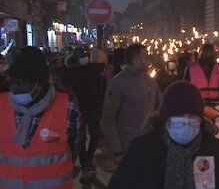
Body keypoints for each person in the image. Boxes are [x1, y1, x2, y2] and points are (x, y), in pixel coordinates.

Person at [107, 81, 219, 189]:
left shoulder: (215, 150)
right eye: (179, 116)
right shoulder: (142, 150)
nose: (186, 121)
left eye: (192, 116)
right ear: (166, 119)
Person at [0, 47, 80, 188]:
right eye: (12, 82)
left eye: (21, 82)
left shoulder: (67, 108)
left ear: (39, 83)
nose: (14, 88)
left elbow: (75, 147)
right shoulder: (2, 106)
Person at [102, 44, 162, 165]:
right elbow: (108, 119)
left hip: (149, 145)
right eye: (145, 57)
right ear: (136, 61)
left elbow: (160, 107)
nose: (149, 60)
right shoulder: (118, 83)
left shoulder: (151, 82)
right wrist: (117, 150)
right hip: (128, 147)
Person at [63, 47, 106, 181]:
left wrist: (100, 103)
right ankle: (85, 164)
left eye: (85, 56)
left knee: (95, 135)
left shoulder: (94, 70)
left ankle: (88, 158)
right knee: (81, 138)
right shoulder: (69, 72)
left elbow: (101, 87)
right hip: (78, 109)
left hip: (93, 107)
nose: (84, 58)